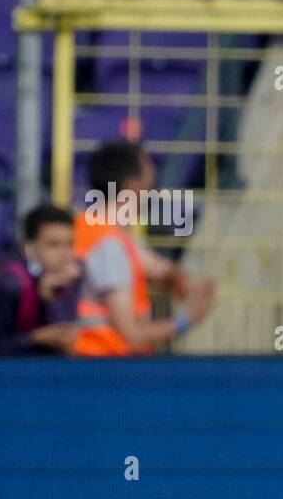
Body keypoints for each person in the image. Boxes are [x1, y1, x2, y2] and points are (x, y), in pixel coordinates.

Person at [72, 140, 213, 356]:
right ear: (132, 187)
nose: (153, 195)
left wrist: (179, 278)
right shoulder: (109, 246)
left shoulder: (93, 227)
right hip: (107, 368)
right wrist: (187, 319)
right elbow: (132, 336)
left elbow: (153, 265)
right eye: (151, 187)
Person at [0, 203, 80, 356]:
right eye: (53, 245)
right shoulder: (6, 284)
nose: (64, 255)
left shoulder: (63, 282)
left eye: (69, 244)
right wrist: (35, 338)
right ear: (29, 246)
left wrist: (50, 300)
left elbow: (63, 341)